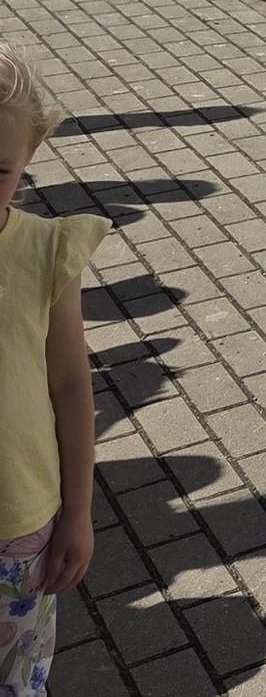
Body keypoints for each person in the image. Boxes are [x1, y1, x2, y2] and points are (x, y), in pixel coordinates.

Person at [0, 51, 105, 693]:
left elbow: (70, 387)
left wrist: (78, 512)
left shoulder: (43, 251)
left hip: (19, 527)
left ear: (29, 156)